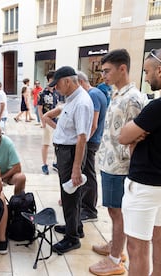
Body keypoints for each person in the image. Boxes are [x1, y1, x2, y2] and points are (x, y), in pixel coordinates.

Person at [118, 47, 161, 276]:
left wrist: (134, 132)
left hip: (146, 184)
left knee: (137, 246)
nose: (145, 77)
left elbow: (123, 136)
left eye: (147, 72)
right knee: (159, 233)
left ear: (160, 69)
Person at [89, 49, 147, 276]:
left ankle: (115, 259)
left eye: (107, 70)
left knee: (117, 212)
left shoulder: (132, 98)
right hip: (109, 162)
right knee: (114, 211)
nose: (103, 75)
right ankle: (116, 246)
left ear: (122, 68)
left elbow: (137, 136)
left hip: (120, 166)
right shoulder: (116, 94)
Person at [44, 66, 93, 254]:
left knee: (69, 196)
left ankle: (72, 239)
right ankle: (76, 227)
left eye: (57, 85)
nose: (55, 88)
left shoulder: (81, 102)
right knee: (71, 193)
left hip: (72, 153)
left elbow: (82, 138)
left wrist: (76, 169)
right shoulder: (71, 100)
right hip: (66, 152)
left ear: (67, 81)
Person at [77, 71, 107, 223]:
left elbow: (93, 124)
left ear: (81, 82)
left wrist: (83, 142)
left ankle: (90, 210)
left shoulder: (93, 94)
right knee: (87, 172)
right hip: (92, 139)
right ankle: (84, 204)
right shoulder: (97, 92)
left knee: (88, 173)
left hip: (91, 140)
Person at [0, 125, 26, 195]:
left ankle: (17, 201)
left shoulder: (8, 144)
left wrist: (1, 177)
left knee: (21, 178)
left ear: (0, 137)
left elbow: (17, 168)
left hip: (6, 175)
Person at [38, 71, 58, 175]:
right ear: (48, 80)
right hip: (47, 121)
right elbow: (40, 109)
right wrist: (43, 121)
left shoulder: (56, 92)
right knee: (46, 143)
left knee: (57, 143)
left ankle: (55, 162)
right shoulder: (42, 93)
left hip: (56, 122)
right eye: (52, 80)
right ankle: (44, 164)